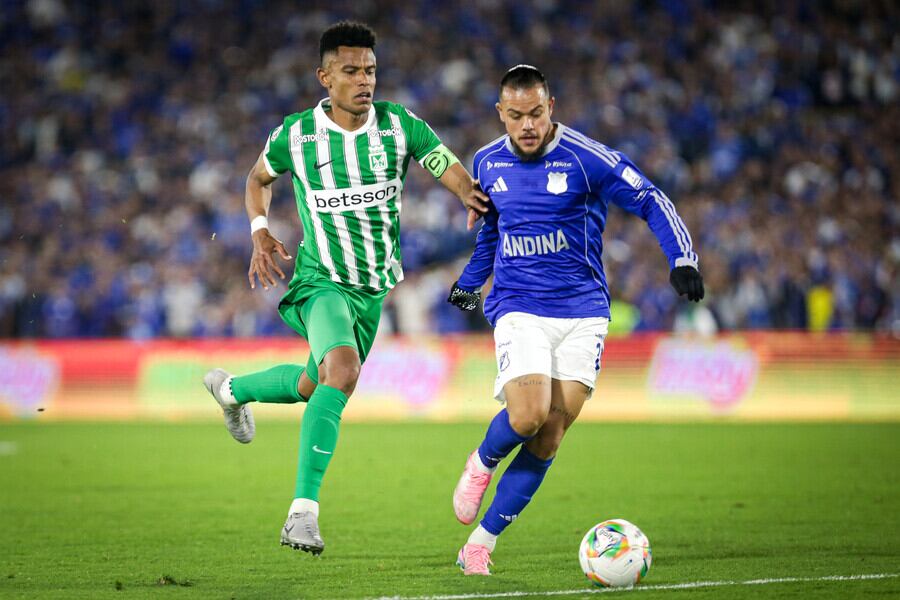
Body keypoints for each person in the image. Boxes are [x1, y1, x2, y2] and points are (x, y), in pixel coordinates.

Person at [203, 21, 488, 556]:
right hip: (320, 281)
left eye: (371, 71)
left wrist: (467, 193)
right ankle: (301, 514)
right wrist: (259, 230)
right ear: (325, 77)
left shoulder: (398, 126)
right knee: (343, 370)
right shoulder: (297, 135)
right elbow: (257, 179)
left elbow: (444, 163)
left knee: (314, 385)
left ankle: (230, 391)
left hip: (372, 290)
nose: (364, 81)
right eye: (352, 71)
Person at [447, 65, 703, 575]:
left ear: (551, 107)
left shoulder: (588, 159)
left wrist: (682, 257)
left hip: (583, 312)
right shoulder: (487, 161)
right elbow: (492, 232)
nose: (526, 125)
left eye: (535, 113)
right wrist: (469, 285)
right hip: (519, 304)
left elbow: (650, 198)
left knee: (549, 436)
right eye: (515, 115)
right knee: (527, 415)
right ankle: (482, 462)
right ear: (500, 113)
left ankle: (480, 544)